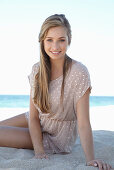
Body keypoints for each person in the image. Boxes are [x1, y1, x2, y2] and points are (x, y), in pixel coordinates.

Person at [0, 14, 112, 170]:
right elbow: (33, 117)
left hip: (57, 136)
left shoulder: (79, 72)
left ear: (69, 40)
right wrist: (38, 151)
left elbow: (84, 123)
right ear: (42, 41)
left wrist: (91, 159)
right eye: (49, 40)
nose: (55, 47)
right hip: (39, 120)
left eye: (61, 40)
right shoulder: (37, 70)